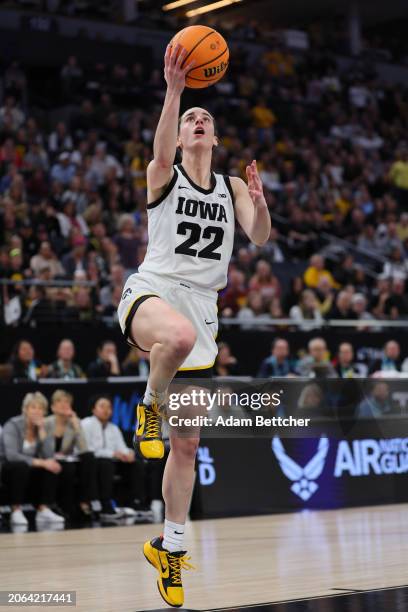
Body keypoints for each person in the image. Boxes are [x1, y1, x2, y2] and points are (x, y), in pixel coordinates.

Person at [117, 43, 270, 607]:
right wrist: (176, 92)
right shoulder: (164, 175)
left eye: (206, 118)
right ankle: (148, 408)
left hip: (204, 308)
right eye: (190, 121)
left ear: (215, 137)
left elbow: (257, 237)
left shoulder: (231, 188)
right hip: (153, 292)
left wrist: (260, 201)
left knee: (187, 447)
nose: (199, 122)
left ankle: (170, 548)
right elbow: (158, 151)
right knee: (174, 337)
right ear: (180, 139)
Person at [0, 392, 64, 527]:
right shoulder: (13, 425)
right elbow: (11, 455)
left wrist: (42, 431)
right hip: (8, 467)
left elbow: (49, 455)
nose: (37, 411)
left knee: (52, 465)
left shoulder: (44, 426)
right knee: (21, 466)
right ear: (25, 409)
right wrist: (41, 462)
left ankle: (43, 509)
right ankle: (15, 510)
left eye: (40, 408)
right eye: (33, 407)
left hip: (30, 467)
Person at [81, 396, 148, 520]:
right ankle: (105, 504)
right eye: (102, 406)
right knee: (106, 464)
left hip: (112, 461)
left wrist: (128, 453)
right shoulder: (86, 424)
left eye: (109, 407)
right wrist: (112, 454)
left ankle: (135, 502)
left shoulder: (113, 427)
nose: (106, 410)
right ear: (93, 409)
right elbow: (88, 449)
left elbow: (121, 447)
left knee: (136, 463)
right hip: (93, 462)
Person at [45, 390, 95, 520]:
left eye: (67, 401)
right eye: (59, 401)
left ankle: (83, 501)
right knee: (68, 469)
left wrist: (76, 425)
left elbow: (84, 448)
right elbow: (42, 449)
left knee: (88, 457)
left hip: (65, 460)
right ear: (52, 407)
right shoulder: (46, 423)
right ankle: (62, 507)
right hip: (47, 459)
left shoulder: (74, 422)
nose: (63, 404)